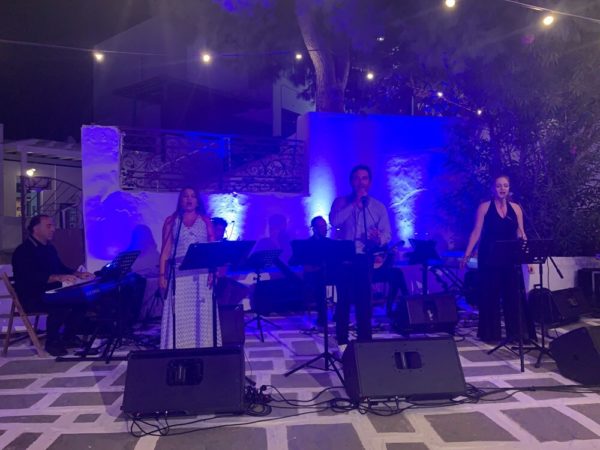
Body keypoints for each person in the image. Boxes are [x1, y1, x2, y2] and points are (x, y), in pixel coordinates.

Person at [461, 174, 533, 342]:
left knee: (513, 295)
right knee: (490, 295)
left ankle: (517, 334)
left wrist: (528, 258)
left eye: (505, 185)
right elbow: (476, 232)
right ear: (493, 188)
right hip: (489, 257)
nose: (502, 188)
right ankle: (490, 334)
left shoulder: (516, 208)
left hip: (510, 257)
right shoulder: (484, 207)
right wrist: (467, 254)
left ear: (509, 188)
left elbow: (521, 233)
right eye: (499, 185)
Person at [11, 215, 94, 356]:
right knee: (61, 303)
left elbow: (61, 268)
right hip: (32, 296)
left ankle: (69, 337)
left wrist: (78, 274)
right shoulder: (23, 251)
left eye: (53, 226)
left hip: (50, 292)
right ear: (36, 229)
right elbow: (29, 278)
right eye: (48, 226)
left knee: (83, 300)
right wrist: (56, 277)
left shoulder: (49, 248)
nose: (53, 229)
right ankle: (52, 342)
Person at [330, 164, 391, 346]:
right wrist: (354, 204)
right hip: (344, 256)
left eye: (364, 178)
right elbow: (334, 222)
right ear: (352, 181)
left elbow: (387, 233)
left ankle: (365, 342)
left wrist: (378, 238)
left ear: (369, 182)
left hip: (364, 256)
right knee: (343, 300)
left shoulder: (378, 207)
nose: (361, 182)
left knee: (364, 301)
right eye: (357, 178)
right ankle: (342, 341)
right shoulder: (341, 202)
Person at [159, 187, 220, 349]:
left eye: (193, 196)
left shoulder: (205, 221)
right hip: (179, 275)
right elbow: (166, 250)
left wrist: (212, 271)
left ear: (197, 201)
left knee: (200, 313)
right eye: (185, 196)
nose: (189, 199)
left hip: (201, 275)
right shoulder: (172, 221)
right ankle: (179, 347)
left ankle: (204, 346)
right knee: (180, 313)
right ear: (181, 200)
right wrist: (162, 275)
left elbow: (212, 249)